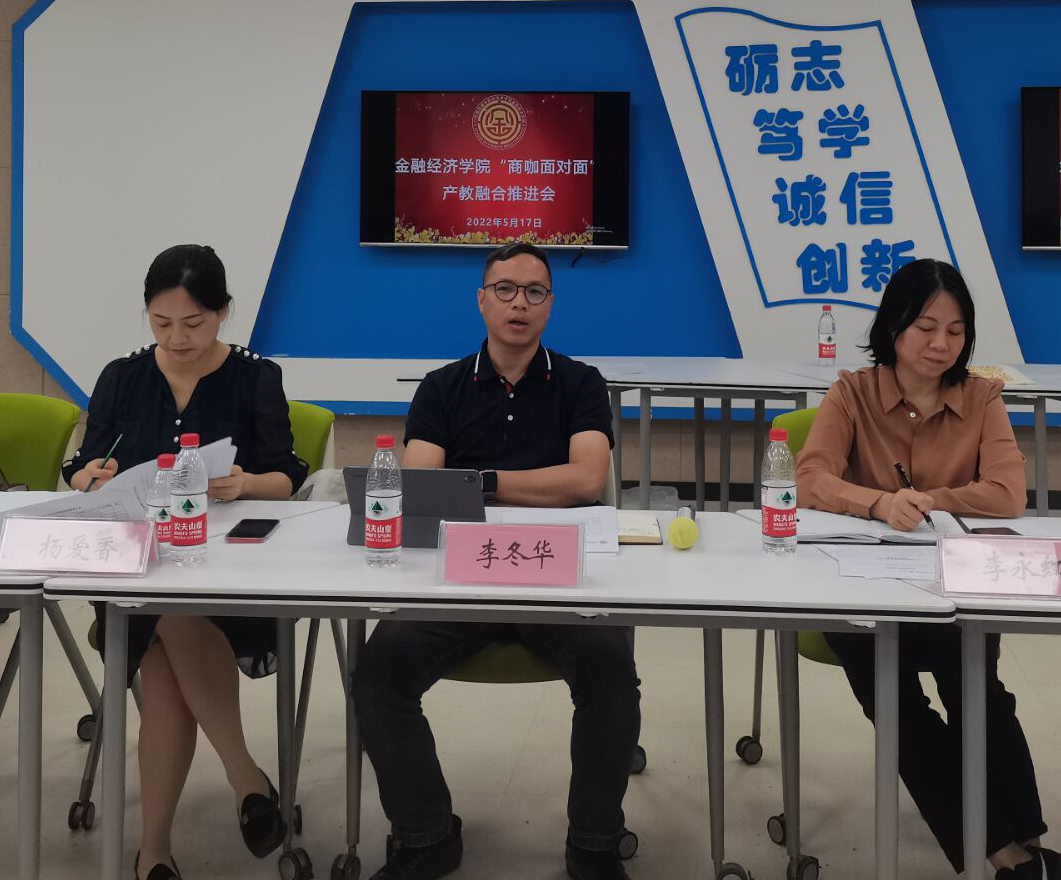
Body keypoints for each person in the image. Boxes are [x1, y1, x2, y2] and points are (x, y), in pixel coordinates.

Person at [352, 242, 641, 880]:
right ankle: (426, 835)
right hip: (461, 574)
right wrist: (527, 485)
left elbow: (586, 480)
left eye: (534, 292)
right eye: (505, 289)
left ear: (550, 305)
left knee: (611, 669)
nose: (519, 303)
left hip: (559, 572)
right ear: (481, 300)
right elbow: (422, 486)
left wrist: (480, 482)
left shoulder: (580, 383)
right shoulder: (442, 386)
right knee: (378, 672)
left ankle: (595, 844)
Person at [796, 259, 1061, 880]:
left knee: (978, 692)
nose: (940, 344)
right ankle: (1005, 854)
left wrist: (928, 501)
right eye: (926, 327)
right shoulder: (852, 392)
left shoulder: (982, 397)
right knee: (898, 704)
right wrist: (877, 503)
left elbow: (1007, 494)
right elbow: (810, 477)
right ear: (893, 327)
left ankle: (1025, 842)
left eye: (955, 331)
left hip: (957, 581)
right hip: (862, 589)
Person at [63, 244, 307, 880]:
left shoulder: (256, 376)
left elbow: (287, 476)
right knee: (163, 618)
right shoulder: (122, 376)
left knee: (165, 631)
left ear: (223, 312)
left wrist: (245, 483)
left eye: (193, 323)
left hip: (232, 571)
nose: (176, 338)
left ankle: (154, 852)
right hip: (139, 562)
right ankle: (246, 781)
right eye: (161, 322)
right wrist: (91, 476)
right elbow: (83, 466)